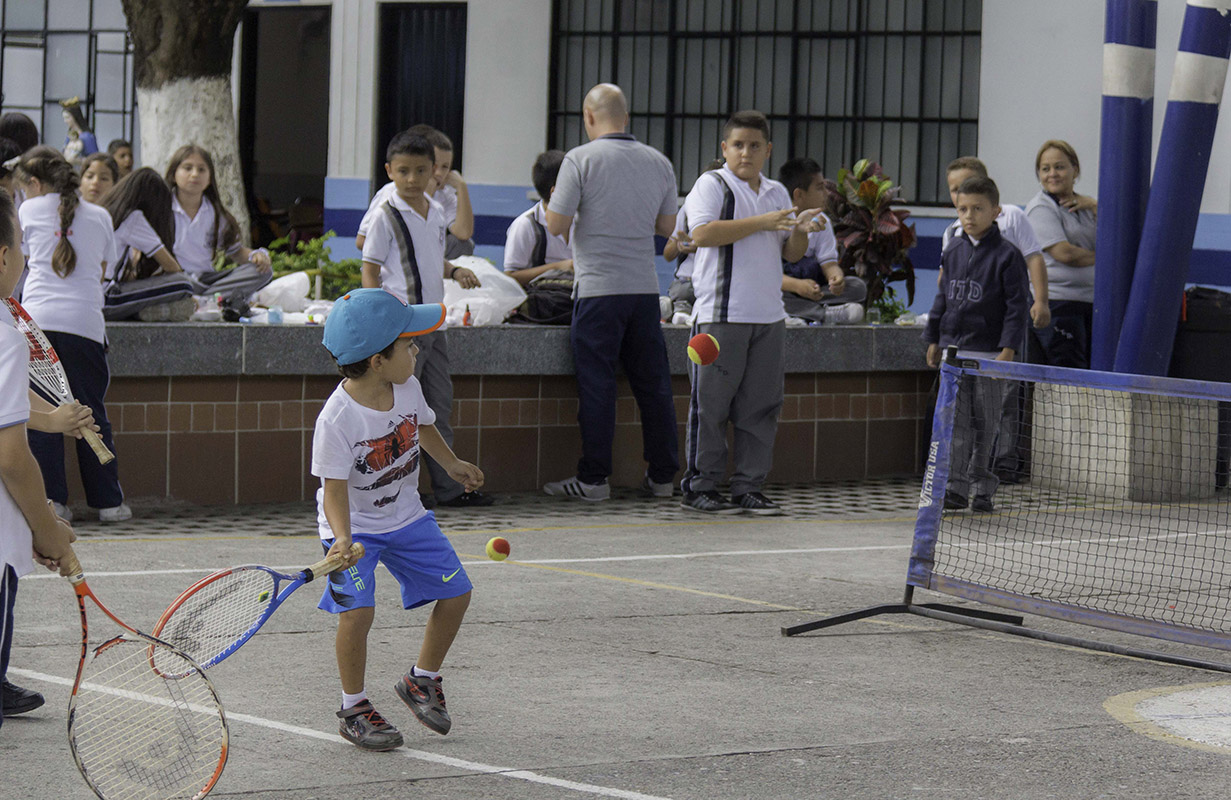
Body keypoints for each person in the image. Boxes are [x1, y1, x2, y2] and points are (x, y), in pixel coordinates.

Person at [312, 289, 482, 750]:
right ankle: (353, 707)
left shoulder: (407, 386)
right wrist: (343, 539)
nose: (417, 349)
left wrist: (449, 464)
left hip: (406, 517)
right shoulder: (338, 419)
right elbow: (334, 490)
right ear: (376, 361)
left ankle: (420, 681)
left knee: (457, 592)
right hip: (352, 527)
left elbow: (421, 425)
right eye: (408, 343)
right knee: (358, 612)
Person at [680, 111, 823, 515]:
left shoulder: (777, 192)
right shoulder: (712, 184)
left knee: (761, 406)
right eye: (738, 145)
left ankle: (748, 487)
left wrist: (798, 229)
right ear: (724, 149)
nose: (746, 152)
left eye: (754, 145)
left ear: (767, 150)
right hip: (721, 315)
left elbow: (790, 254)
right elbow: (701, 233)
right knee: (710, 406)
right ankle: (700, 486)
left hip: (768, 316)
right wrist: (763, 222)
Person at [542, 83, 680, 501]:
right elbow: (667, 227)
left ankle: (594, 479)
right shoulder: (659, 161)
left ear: (588, 116)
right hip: (643, 289)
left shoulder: (579, 160)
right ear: (626, 117)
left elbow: (555, 225)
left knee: (598, 385)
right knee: (653, 386)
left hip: (598, 291)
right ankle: (662, 478)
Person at [360, 131, 490, 508]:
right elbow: (369, 268)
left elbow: (431, 257)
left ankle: (451, 490)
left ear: (434, 171)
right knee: (399, 411)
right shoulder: (386, 214)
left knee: (436, 406)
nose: (413, 179)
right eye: (404, 171)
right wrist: (376, 317)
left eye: (421, 170)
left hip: (435, 323)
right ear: (389, 171)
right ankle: (399, 493)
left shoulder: (435, 211)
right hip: (402, 328)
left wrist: (453, 271)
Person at [15, 147, 129, 523]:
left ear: (32, 183)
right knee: (90, 411)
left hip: (37, 325)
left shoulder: (28, 209)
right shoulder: (100, 216)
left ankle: (54, 502)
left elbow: (20, 261)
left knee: (46, 414)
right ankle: (108, 502)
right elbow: (102, 272)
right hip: (85, 326)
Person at [0, 188, 79, 731]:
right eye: (23, 248)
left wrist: (50, 420)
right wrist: (47, 531)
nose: (27, 260)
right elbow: (10, 456)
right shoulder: (6, 337)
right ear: (3, 256)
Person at [923, 176, 1030, 513]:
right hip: (955, 356)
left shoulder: (1009, 256)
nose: (969, 215)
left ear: (995, 211)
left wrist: (1007, 350)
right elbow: (942, 297)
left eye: (978, 209)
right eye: (962, 209)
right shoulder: (953, 249)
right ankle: (955, 488)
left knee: (987, 425)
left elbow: (1017, 307)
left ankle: (983, 488)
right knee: (956, 424)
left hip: (989, 356)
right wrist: (934, 338)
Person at [940, 156, 1048, 483]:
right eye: (954, 190)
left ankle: (1004, 462)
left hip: (1004, 324)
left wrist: (1040, 300)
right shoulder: (953, 233)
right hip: (968, 334)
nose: (961, 195)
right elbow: (948, 281)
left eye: (966, 186)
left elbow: (1033, 257)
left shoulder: (1012, 217)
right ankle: (964, 470)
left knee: (1005, 394)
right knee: (964, 409)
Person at [165, 144, 272, 298]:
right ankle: (210, 300)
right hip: (173, 278)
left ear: (209, 178)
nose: (195, 174)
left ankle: (203, 300)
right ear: (173, 174)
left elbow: (236, 251)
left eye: (201, 169)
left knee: (263, 271)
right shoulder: (162, 208)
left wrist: (257, 256)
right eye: (187, 168)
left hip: (206, 279)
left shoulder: (215, 213)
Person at [1025, 140, 1097, 368]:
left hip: (1091, 303)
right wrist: (1105, 259)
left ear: (1075, 170)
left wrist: (1096, 205)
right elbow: (1065, 254)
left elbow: (1118, 239)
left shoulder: (1084, 206)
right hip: (1059, 305)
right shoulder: (1040, 208)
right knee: (1069, 373)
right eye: (1045, 169)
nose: (1052, 174)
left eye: (1060, 167)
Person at [355, 125, 475, 259]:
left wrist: (462, 187)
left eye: (445, 167)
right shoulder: (392, 192)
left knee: (463, 244)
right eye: (435, 166)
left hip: (431, 263)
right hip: (398, 263)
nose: (439, 173)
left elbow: (463, 234)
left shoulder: (445, 195)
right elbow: (361, 241)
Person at [776, 157, 866, 325]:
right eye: (819, 188)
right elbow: (766, 274)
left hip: (814, 289)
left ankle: (803, 313)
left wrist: (836, 279)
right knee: (768, 292)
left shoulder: (821, 220)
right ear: (799, 194)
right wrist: (796, 285)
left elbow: (829, 263)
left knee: (857, 287)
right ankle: (823, 314)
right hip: (785, 288)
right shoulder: (778, 219)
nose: (826, 193)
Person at [102, 168, 194, 322]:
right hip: (106, 300)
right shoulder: (133, 218)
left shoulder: (108, 210)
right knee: (183, 283)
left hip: (90, 297)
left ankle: (143, 311)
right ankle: (145, 311)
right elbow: (172, 267)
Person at [662, 159, 725, 326]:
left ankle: (680, 309)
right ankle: (679, 308)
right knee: (682, 293)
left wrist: (705, 243)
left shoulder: (736, 211)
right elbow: (667, 255)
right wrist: (679, 246)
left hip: (718, 285)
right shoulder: (689, 208)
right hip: (687, 283)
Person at [503, 150, 573, 286]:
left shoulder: (582, 220)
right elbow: (510, 276)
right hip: (543, 302)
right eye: (574, 184)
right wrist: (559, 267)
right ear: (555, 192)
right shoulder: (526, 225)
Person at [59, 97, 99, 170]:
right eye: (64, 118)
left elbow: (94, 157)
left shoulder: (87, 137)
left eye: (68, 118)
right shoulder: (69, 136)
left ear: (75, 116)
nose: (65, 121)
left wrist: (77, 161)